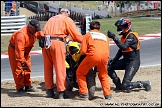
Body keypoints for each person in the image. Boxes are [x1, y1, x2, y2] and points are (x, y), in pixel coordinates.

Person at [40, 8, 83, 99]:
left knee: (47, 67)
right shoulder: (66, 19)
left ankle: (50, 91)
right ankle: (61, 92)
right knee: (60, 67)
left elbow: (43, 32)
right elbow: (76, 35)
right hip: (57, 42)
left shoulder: (51, 19)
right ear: (67, 13)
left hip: (46, 43)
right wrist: (84, 41)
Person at [107, 18, 151, 93]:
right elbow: (121, 51)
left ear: (127, 26)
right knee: (108, 67)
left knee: (126, 85)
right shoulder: (123, 37)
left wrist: (114, 37)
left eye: (121, 27)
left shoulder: (132, 36)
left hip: (133, 63)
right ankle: (118, 85)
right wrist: (113, 61)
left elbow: (124, 47)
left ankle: (144, 83)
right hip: (125, 61)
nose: (119, 28)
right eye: (119, 27)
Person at [76, 21, 112, 101]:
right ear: (99, 28)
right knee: (103, 75)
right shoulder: (105, 36)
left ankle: (84, 93)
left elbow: (83, 50)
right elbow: (107, 49)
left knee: (80, 72)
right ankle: (108, 94)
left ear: (90, 28)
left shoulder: (88, 35)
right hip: (105, 56)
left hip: (93, 56)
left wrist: (88, 53)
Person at [8, 19, 44, 94]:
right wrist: (22, 61)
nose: (36, 32)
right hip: (16, 51)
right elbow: (19, 50)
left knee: (27, 68)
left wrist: (43, 38)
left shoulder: (35, 31)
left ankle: (28, 85)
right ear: (30, 27)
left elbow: (40, 33)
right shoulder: (21, 35)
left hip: (26, 51)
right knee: (18, 68)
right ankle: (20, 87)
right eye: (35, 30)